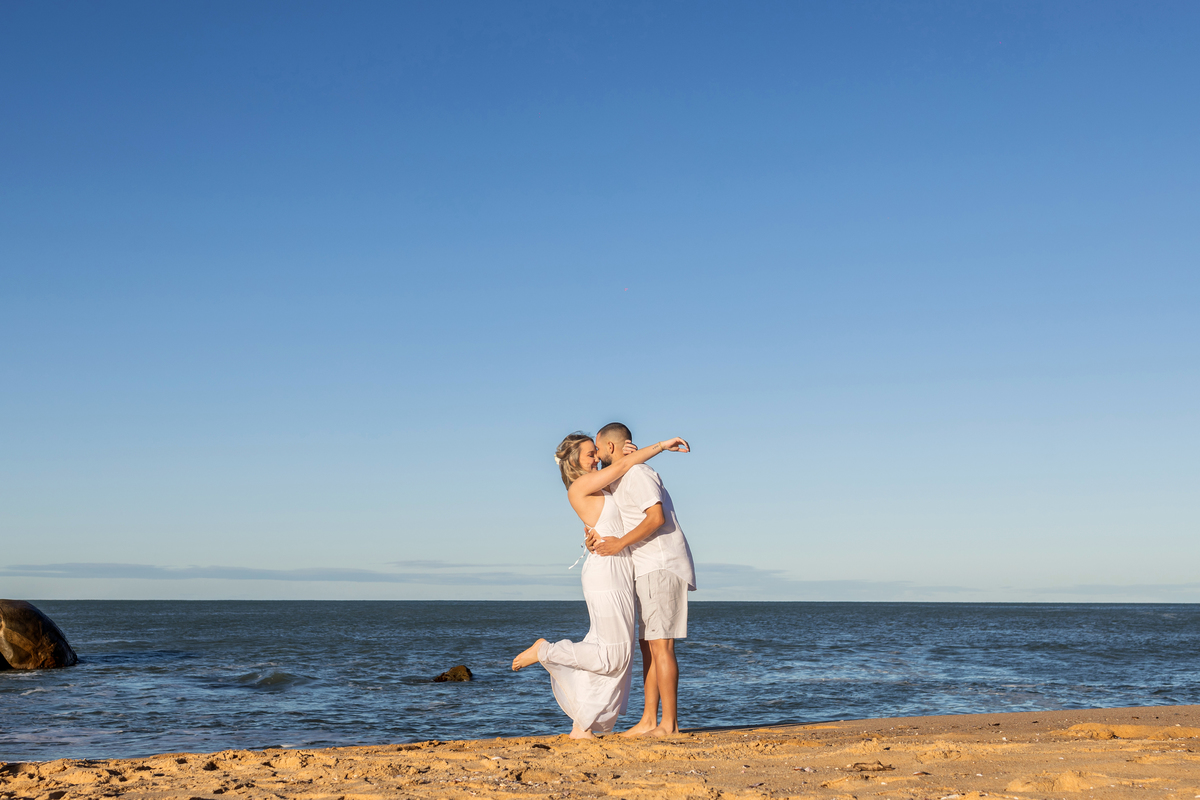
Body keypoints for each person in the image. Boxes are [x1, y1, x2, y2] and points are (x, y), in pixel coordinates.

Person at [511, 432, 690, 739]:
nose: (596, 458)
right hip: (606, 572)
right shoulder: (579, 487)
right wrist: (661, 445)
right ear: (573, 461)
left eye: (596, 452)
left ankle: (581, 726)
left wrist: (623, 453)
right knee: (613, 656)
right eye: (589, 454)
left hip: (622, 569)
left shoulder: (602, 485)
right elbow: (621, 467)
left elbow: (620, 483)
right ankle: (546, 650)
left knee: (607, 648)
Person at [587, 422, 696, 739]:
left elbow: (656, 517)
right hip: (644, 568)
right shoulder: (621, 478)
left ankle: (669, 725)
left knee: (661, 646)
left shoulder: (638, 474)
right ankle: (649, 720)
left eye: (598, 449)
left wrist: (620, 544)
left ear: (610, 446)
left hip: (660, 564)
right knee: (648, 647)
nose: (596, 456)